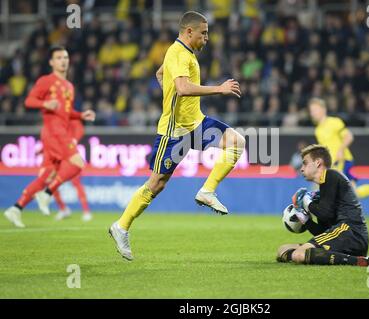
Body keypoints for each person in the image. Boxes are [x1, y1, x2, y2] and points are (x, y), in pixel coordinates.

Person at [109, 11, 245, 261]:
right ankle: (121, 226)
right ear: (189, 32)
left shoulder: (182, 53)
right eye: (203, 33)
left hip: (196, 123)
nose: (207, 37)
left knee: (237, 141)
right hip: (174, 133)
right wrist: (219, 89)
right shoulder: (178, 53)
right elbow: (182, 88)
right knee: (156, 184)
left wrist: (168, 92)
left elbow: (161, 74)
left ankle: (207, 191)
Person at [3, 46, 95, 228]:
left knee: (46, 175)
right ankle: (47, 194)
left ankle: (15, 208)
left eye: (66, 57)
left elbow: (66, 113)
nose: (63, 60)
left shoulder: (69, 86)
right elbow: (28, 101)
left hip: (60, 130)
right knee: (78, 163)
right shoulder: (46, 81)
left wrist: (80, 115)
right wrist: (45, 103)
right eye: (59, 57)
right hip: (54, 132)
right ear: (51, 62)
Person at [277, 144, 369, 266]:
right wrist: (306, 220)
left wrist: (307, 202)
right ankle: (344, 257)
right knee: (282, 250)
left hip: (351, 232)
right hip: (343, 235)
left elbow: (325, 213)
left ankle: (359, 261)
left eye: (305, 163)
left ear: (318, 163)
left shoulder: (331, 175)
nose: (302, 168)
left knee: (298, 254)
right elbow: (323, 231)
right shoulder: (323, 190)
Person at [308, 98, 369, 200]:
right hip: (332, 164)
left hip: (342, 161)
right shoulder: (318, 130)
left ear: (323, 109)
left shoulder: (334, 122)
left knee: (330, 191)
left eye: (314, 110)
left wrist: (341, 150)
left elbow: (349, 136)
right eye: (311, 111)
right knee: (353, 193)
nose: (312, 113)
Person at [36, 118, 93, 222]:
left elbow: (80, 129)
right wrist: (41, 151)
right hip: (59, 158)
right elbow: (51, 142)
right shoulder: (55, 123)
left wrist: (75, 139)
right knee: (52, 183)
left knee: (76, 183)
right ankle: (63, 209)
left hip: (70, 157)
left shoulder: (71, 120)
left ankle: (86, 211)